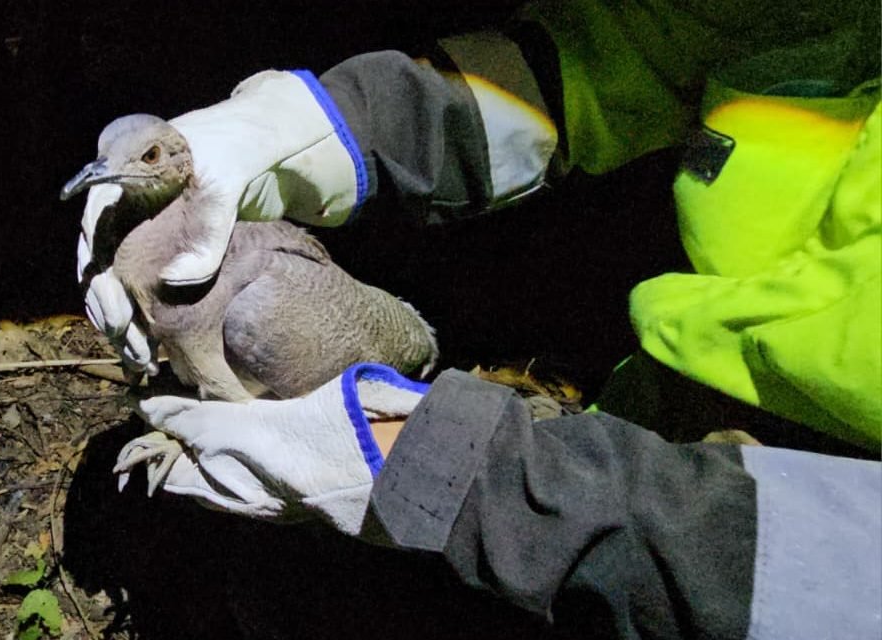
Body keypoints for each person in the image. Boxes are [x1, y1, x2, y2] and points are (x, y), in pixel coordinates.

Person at [75, 0, 881, 637]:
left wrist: (463, 475)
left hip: (756, 551)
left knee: (323, 586)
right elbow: (631, 52)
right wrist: (313, 127)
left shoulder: (265, 306)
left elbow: (835, 575)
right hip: (663, 407)